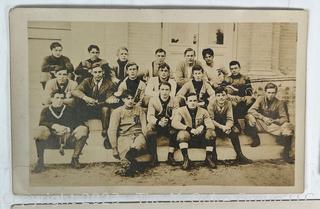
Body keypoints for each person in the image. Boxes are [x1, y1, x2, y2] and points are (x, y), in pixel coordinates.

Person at [33, 90, 89, 173]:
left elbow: (80, 123)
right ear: (52, 99)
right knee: (40, 131)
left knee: (83, 129)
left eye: (62, 98)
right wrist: (54, 126)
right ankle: (40, 161)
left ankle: (75, 159)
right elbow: (42, 122)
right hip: (51, 139)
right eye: (57, 98)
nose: (59, 100)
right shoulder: (46, 110)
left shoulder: (70, 109)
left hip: (68, 139)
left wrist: (68, 128)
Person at [245, 83, 294, 163]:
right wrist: (263, 118)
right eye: (269, 92)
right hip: (260, 123)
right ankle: (255, 138)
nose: (271, 95)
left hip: (272, 125)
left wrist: (274, 120)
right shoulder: (260, 99)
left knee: (288, 127)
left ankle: (286, 153)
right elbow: (251, 110)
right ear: (265, 92)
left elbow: (284, 118)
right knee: (249, 116)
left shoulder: (279, 103)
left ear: (276, 93)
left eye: (273, 93)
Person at [72, 65, 119, 149]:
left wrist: (96, 103)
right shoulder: (87, 81)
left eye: (99, 72)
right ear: (91, 73)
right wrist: (85, 98)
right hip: (87, 108)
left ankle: (106, 135)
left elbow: (108, 99)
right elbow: (76, 91)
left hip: (100, 108)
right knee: (77, 101)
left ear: (103, 72)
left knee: (106, 109)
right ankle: (80, 132)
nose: (97, 74)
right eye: (95, 72)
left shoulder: (109, 83)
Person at [207, 86, 252, 166]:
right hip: (216, 126)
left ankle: (240, 155)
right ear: (215, 96)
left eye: (223, 95)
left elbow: (230, 118)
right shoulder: (211, 104)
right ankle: (214, 157)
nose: (221, 98)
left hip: (225, 126)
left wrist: (227, 127)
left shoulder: (228, 103)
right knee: (211, 133)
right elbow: (211, 120)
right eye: (218, 95)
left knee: (234, 133)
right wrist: (222, 127)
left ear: (226, 96)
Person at [171, 93, 216, 170]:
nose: (192, 103)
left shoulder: (203, 111)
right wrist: (189, 129)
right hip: (186, 139)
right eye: (190, 101)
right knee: (182, 134)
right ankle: (186, 159)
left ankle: (208, 158)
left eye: (195, 100)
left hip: (200, 139)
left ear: (197, 102)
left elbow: (211, 125)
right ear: (186, 102)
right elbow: (174, 123)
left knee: (211, 132)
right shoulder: (180, 110)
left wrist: (203, 126)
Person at [108, 90, 148, 177]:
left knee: (136, 146)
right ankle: (131, 167)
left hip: (138, 135)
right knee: (125, 152)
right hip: (124, 135)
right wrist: (114, 147)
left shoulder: (139, 110)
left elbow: (144, 126)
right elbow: (112, 130)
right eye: (128, 98)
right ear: (123, 99)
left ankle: (127, 167)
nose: (130, 101)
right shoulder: (117, 112)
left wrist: (146, 139)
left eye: (132, 98)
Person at [146, 81, 178, 167]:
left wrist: (169, 120)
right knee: (149, 129)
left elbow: (176, 115)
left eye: (167, 89)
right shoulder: (153, 100)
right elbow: (150, 116)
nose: (164, 92)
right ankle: (154, 156)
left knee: (175, 130)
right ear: (159, 90)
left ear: (170, 91)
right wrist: (158, 122)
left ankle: (170, 156)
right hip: (157, 122)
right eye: (162, 89)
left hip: (168, 123)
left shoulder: (174, 100)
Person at [221, 60, 255, 130]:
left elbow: (249, 91)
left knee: (251, 99)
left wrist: (235, 90)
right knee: (229, 102)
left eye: (235, 68)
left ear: (239, 68)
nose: (234, 70)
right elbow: (223, 90)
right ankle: (235, 124)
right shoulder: (227, 79)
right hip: (233, 100)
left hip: (243, 99)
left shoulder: (245, 78)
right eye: (232, 69)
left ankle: (248, 123)